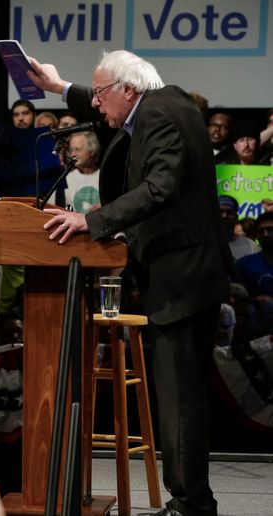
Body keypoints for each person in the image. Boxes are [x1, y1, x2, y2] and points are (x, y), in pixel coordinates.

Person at [29, 49, 231, 516]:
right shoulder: (164, 105)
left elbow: (160, 187)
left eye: (100, 95)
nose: (96, 106)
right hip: (185, 275)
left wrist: (92, 220)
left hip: (183, 279)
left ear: (128, 89)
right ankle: (192, 502)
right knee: (181, 399)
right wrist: (60, 88)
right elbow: (156, 182)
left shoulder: (159, 115)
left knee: (180, 401)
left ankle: (190, 506)